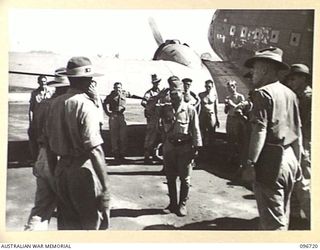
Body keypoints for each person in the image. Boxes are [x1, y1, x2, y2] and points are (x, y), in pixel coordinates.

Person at [241, 47, 302, 230]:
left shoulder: (263, 93)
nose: (252, 73)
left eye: (255, 68)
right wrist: (297, 163)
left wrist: (250, 164)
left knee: (273, 224)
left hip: (270, 160)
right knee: (281, 212)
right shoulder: (290, 94)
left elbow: (260, 130)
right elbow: (298, 131)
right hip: (290, 157)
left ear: (266, 69)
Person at [46, 57, 110, 230]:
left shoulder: (54, 104)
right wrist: (106, 187)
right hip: (82, 170)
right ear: (88, 80)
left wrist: (54, 176)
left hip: (61, 171)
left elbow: (48, 147)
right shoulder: (85, 105)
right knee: (90, 227)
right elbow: (94, 150)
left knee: (68, 227)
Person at [24, 68, 69, 231]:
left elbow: (36, 132)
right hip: (56, 159)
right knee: (68, 208)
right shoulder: (64, 105)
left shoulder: (43, 104)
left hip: (42, 156)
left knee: (41, 209)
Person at [159, 76, 202, 216]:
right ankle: (172, 204)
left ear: (182, 94)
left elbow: (195, 129)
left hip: (185, 148)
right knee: (170, 177)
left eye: (176, 93)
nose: (173, 96)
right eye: (171, 93)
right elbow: (149, 108)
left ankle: (182, 204)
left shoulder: (190, 109)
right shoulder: (165, 109)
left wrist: (196, 148)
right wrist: (159, 97)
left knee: (185, 178)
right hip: (169, 147)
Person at [285, 64, 311, 222]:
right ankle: (295, 214)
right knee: (295, 179)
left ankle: (312, 218)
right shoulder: (298, 95)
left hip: (304, 142)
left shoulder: (307, 97)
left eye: (293, 78)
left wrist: (302, 147)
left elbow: (303, 124)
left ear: (303, 78)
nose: (290, 82)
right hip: (297, 139)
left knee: (303, 181)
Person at [103, 82, 134, 163]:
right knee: (114, 136)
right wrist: (107, 113)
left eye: (119, 87)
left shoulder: (124, 93)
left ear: (121, 88)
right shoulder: (110, 96)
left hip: (121, 116)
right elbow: (104, 103)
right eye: (116, 87)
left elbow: (133, 95)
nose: (118, 89)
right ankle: (116, 155)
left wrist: (144, 98)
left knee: (123, 136)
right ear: (114, 88)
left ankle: (122, 155)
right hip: (113, 116)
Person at [28, 75, 54, 160]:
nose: (43, 83)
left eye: (44, 81)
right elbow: (31, 109)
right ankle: (39, 159)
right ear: (38, 82)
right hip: (38, 121)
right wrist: (31, 122)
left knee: (49, 139)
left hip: (49, 120)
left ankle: (49, 158)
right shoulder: (34, 93)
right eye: (41, 81)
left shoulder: (52, 91)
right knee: (39, 138)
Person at [141, 74, 162, 164]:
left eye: (158, 82)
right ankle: (147, 155)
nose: (156, 84)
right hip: (152, 117)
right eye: (155, 83)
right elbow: (143, 102)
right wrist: (150, 107)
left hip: (160, 117)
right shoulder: (149, 93)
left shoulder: (161, 92)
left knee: (159, 136)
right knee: (150, 136)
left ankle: (155, 154)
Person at [224, 80, 245, 166]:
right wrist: (227, 105)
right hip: (230, 118)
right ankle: (230, 156)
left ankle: (239, 157)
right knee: (230, 137)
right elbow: (226, 111)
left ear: (235, 86)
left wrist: (232, 104)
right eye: (228, 87)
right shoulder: (228, 97)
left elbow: (241, 109)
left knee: (238, 138)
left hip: (237, 119)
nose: (230, 88)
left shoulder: (240, 97)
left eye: (232, 86)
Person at [198, 79, 220, 146]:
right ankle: (202, 148)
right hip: (203, 115)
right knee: (203, 132)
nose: (208, 88)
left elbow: (216, 108)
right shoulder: (201, 95)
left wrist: (217, 119)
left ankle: (211, 148)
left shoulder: (214, 95)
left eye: (209, 86)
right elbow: (198, 107)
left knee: (212, 132)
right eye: (206, 86)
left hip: (211, 115)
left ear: (212, 86)